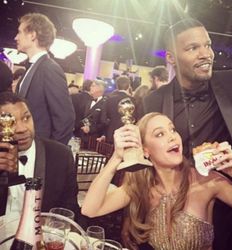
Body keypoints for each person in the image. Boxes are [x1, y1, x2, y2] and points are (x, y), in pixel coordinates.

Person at [144, 18, 232, 249]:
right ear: (171, 57)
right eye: (193, 48)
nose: (206, 54)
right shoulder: (153, 100)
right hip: (175, 213)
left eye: (208, 45)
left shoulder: (231, 83)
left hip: (227, 207)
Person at [82, 112, 232, 250]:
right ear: (145, 150)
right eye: (160, 134)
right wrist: (117, 157)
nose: (172, 136)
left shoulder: (208, 181)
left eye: (173, 129)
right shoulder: (142, 186)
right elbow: (90, 209)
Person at [0, 92, 85, 226]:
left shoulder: (60, 155)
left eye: (26, 118)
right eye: (10, 122)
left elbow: (69, 209)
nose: (22, 129)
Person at [14, 13, 75, 145]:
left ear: (32, 35)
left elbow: (65, 119)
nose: (16, 37)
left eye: (19, 32)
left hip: (40, 152)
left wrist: (50, 154)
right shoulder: (32, 67)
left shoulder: (49, 68)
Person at [100, 75, 136, 144]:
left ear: (117, 86)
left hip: (111, 134)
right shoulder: (133, 101)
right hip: (127, 135)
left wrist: (111, 125)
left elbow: (103, 119)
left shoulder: (109, 99)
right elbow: (136, 119)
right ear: (129, 86)